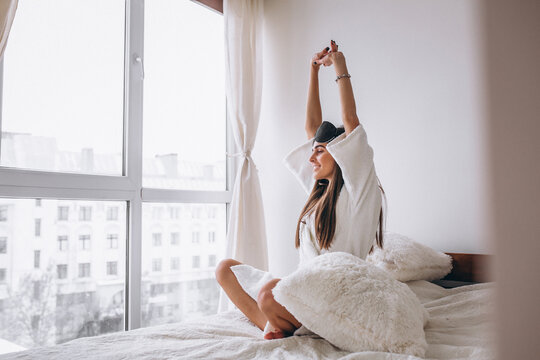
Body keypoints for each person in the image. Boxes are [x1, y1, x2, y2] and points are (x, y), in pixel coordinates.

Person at [215, 40, 386, 340]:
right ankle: (278, 323)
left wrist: (340, 64)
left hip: (335, 293)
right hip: (304, 289)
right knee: (225, 269)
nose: (311, 157)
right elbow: (311, 127)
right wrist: (313, 70)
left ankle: (280, 321)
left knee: (268, 294)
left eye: (320, 151)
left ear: (342, 151)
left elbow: (350, 121)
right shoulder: (319, 190)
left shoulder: (359, 187)